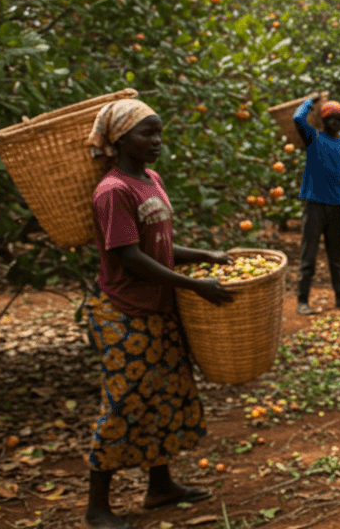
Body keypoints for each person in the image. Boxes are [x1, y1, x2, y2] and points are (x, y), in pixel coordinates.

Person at [83, 99, 235, 529]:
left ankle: (160, 486)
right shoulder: (113, 191)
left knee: (164, 394)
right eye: (146, 134)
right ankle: (97, 509)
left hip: (159, 307)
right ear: (119, 140)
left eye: (159, 133)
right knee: (125, 402)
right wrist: (194, 286)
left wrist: (203, 253)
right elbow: (128, 257)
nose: (157, 142)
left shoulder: (150, 179)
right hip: (125, 310)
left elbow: (160, 246)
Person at [294, 93, 340, 315]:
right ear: (323, 121)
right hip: (314, 203)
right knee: (309, 254)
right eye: (331, 119)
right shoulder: (313, 137)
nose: (335, 123)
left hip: (336, 204)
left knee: (335, 256)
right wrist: (311, 101)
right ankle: (302, 300)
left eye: (339, 119)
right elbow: (298, 118)